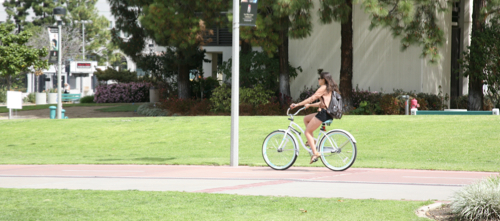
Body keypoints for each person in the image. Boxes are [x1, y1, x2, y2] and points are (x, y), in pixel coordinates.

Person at [290, 72, 340, 164]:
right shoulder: (329, 88)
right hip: (327, 113)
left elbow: (312, 98)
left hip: (323, 113)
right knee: (306, 119)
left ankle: (315, 153)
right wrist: (310, 105)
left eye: (319, 78)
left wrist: (297, 104)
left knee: (307, 132)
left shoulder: (323, 88)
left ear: (323, 79)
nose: (318, 80)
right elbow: (322, 104)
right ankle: (311, 142)